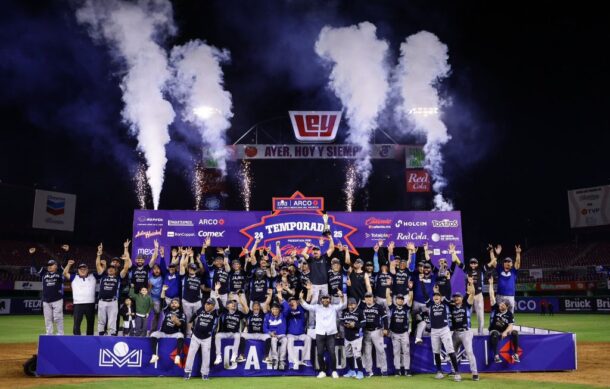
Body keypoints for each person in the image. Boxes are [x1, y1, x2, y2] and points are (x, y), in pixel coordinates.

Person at [300, 288, 345, 379]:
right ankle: (322, 371)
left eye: (327, 298)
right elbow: (306, 306)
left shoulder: (333, 307)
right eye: (323, 298)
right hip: (320, 334)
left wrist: (341, 296)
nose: (325, 300)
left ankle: (334, 371)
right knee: (320, 353)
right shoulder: (317, 307)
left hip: (331, 334)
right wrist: (301, 298)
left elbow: (342, 304)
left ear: (330, 300)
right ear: (321, 300)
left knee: (332, 353)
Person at [452, 243, 494, 334]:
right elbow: (458, 262)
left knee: (480, 316)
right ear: (470, 264)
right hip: (469, 296)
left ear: (477, 263)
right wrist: (453, 252)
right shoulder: (467, 269)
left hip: (479, 295)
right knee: (467, 314)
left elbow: (492, 263)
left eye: (475, 263)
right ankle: (467, 331)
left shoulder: (481, 269)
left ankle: (480, 333)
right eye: (472, 263)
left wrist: (492, 252)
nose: (473, 264)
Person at [424, 284, 461, 382]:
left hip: (444, 330)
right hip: (434, 331)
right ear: (433, 298)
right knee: (436, 352)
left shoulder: (444, 304)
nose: (436, 297)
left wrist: (443, 285)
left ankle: (457, 373)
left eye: (438, 296)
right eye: (434, 296)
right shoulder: (430, 305)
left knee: (450, 350)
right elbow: (425, 295)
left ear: (440, 297)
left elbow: (448, 292)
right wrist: (422, 282)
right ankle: (439, 372)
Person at [95, 243, 130, 336]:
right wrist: (99, 254)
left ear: (116, 271)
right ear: (107, 270)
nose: (111, 270)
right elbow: (98, 265)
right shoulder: (102, 275)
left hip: (113, 301)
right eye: (109, 268)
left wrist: (126, 258)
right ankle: (101, 336)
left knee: (112, 321)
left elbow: (126, 268)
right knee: (101, 321)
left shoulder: (119, 277)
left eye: (113, 269)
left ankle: (112, 338)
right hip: (102, 301)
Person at [450, 277, 479, 381]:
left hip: (466, 332)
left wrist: (471, 284)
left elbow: (472, 294)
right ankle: (453, 371)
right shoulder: (452, 307)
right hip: (455, 333)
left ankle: (475, 373)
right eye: (455, 297)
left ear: (462, 298)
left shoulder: (466, 305)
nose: (456, 298)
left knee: (469, 352)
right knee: (452, 352)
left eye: (458, 297)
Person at [149, 285, 187, 365]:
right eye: (172, 303)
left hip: (174, 334)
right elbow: (162, 299)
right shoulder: (167, 311)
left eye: (176, 303)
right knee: (153, 334)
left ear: (179, 305)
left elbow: (182, 325)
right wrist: (163, 290)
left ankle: (177, 356)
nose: (173, 304)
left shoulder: (181, 314)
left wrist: (176, 321)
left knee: (181, 335)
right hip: (164, 333)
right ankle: (154, 355)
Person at [183, 296, 218, 380]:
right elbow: (193, 316)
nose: (207, 306)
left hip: (207, 338)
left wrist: (217, 296)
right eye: (206, 304)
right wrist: (190, 325)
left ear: (213, 306)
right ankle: (187, 372)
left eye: (210, 304)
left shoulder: (215, 313)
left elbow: (223, 308)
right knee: (191, 354)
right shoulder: (201, 309)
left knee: (206, 356)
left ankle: (205, 374)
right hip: (196, 336)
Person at [213, 283, 248, 367]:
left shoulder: (238, 313)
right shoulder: (224, 311)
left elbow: (246, 311)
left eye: (234, 303)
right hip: (224, 333)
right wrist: (216, 290)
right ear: (227, 305)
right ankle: (218, 356)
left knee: (237, 335)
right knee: (217, 336)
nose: (233, 304)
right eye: (231, 303)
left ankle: (234, 355)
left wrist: (240, 299)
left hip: (233, 334)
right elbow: (218, 300)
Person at [488, 277, 520, 363]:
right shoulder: (495, 308)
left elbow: (510, 325)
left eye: (503, 305)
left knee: (515, 333)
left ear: (507, 306)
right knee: (494, 334)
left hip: (504, 330)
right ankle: (496, 356)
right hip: (495, 330)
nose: (500, 306)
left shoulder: (509, 314)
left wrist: (505, 332)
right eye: (500, 304)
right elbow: (491, 296)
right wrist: (491, 284)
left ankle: (516, 355)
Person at [33, 247, 64, 335]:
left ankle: (60, 334)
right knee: (47, 318)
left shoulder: (60, 273)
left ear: (56, 266)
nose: (49, 266)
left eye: (51, 265)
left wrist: (67, 252)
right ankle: (49, 334)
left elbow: (65, 264)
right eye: (48, 265)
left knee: (58, 318)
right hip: (46, 300)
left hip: (57, 299)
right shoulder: (43, 273)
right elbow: (36, 266)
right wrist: (33, 255)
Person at [386, 281, 414, 377]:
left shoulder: (406, 308)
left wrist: (410, 289)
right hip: (394, 333)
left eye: (402, 299)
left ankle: (407, 370)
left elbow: (410, 298)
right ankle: (397, 370)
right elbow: (387, 297)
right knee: (396, 352)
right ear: (396, 300)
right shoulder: (392, 308)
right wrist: (388, 285)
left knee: (406, 351)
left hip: (404, 333)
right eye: (399, 299)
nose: (400, 300)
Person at [64, 260, 98, 335]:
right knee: (77, 323)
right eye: (81, 269)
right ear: (78, 270)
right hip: (78, 304)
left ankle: (90, 339)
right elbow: (65, 273)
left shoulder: (93, 276)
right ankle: (77, 339)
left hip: (90, 303)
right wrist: (68, 265)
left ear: (87, 270)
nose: (82, 270)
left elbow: (101, 272)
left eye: (84, 269)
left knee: (90, 323)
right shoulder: (74, 277)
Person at [279, 291, 311, 369]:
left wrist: (308, 291)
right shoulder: (287, 311)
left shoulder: (301, 309)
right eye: (290, 302)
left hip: (301, 334)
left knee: (308, 338)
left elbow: (307, 301)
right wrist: (279, 292)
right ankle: (291, 361)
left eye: (293, 301)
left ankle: (306, 359)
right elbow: (283, 304)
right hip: (291, 334)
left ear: (297, 302)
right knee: (289, 341)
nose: (292, 302)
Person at [360, 291, 388, 377]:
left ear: (373, 298)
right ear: (364, 299)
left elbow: (385, 318)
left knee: (381, 351)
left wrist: (386, 328)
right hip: (366, 332)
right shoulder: (362, 307)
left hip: (377, 331)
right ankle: (369, 371)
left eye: (370, 297)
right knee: (367, 352)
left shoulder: (379, 307)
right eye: (367, 297)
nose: (368, 299)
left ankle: (384, 370)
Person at [237, 295, 271, 363]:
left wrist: (270, 296)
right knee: (242, 335)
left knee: (268, 337)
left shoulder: (263, 314)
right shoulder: (249, 314)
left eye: (257, 306)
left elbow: (267, 303)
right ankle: (242, 355)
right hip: (251, 334)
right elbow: (244, 304)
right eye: (254, 306)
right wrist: (240, 296)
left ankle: (266, 357)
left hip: (260, 334)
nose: (256, 307)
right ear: (252, 308)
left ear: (259, 307)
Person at [301, 237, 335, 304]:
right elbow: (303, 253)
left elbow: (332, 248)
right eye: (314, 250)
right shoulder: (311, 259)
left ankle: (324, 314)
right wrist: (307, 246)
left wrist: (330, 239)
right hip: (314, 285)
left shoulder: (324, 257)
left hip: (324, 284)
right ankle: (312, 315)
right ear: (312, 252)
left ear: (320, 251)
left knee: (325, 302)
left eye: (317, 250)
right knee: (314, 302)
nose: (315, 251)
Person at [340, 297, 365, 379]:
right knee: (348, 354)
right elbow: (341, 321)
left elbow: (364, 324)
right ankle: (352, 371)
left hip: (356, 336)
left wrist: (355, 325)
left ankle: (360, 372)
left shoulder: (360, 312)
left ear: (355, 304)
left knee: (357, 354)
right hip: (347, 336)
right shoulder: (345, 312)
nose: (350, 306)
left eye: (352, 304)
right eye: (349, 305)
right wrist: (345, 324)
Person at [492, 245, 521, 313]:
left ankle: (510, 323)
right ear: (503, 263)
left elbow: (518, 262)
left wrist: (518, 253)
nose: (507, 263)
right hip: (500, 295)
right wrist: (493, 253)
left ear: (512, 264)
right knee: (498, 313)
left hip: (510, 296)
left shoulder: (514, 270)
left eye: (509, 261)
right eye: (505, 261)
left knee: (510, 314)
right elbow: (493, 262)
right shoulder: (500, 269)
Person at [262, 300, 288, 370]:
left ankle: (282, 361)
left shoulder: (283, 315)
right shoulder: (267, 316)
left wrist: (281, 299)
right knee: (273, 340)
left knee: (285, 340)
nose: (275, 310)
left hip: (282, 335)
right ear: (271, 309)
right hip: (273, 335)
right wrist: (270, 333)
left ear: (279, 309)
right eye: (273, 309)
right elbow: (264, 328)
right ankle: (275, 360)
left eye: (276, 309)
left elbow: (287, 308)